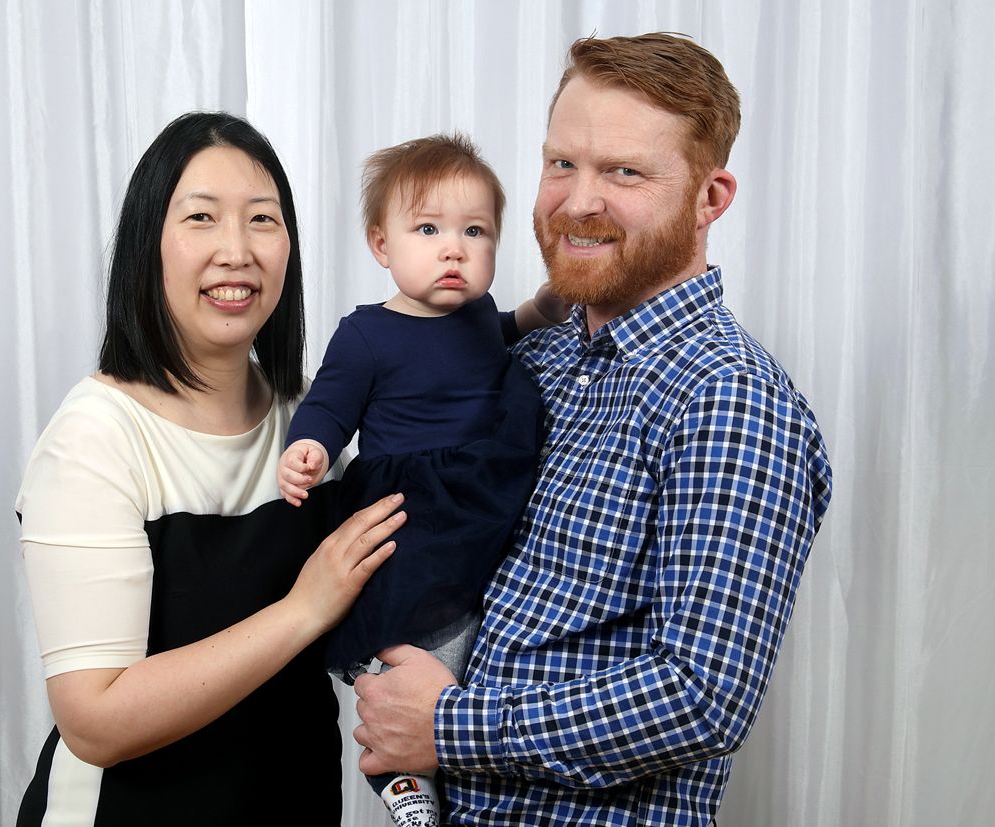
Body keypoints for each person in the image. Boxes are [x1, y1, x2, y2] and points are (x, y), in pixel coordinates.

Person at [352, 33, 834, 826]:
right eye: (561, 163)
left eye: (625, 172)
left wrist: (448, 725)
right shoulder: (534, 359)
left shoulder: (730, 398)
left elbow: (700, 696)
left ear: (711, 198)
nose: (578, 201)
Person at [15, 111, 407, 826]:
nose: (237, 250)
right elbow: (93, 721)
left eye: (262, 220)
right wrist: (302, 609)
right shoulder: (96, 438)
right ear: (148, 246)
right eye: (201, 217)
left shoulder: (309, 422)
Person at [276, 133, 566, 827]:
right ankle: (401, 773)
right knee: (420, 622)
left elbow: (501, 332)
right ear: (382, 245)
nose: (453, 250)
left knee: (478, 625)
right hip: (414, 502)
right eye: (428, 230)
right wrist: (309, 446)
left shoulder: (476, 317)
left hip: (481, 486)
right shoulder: (367, 333)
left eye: (475, 232)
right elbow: (330, 403)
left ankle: (447, 745)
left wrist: (536, 312)